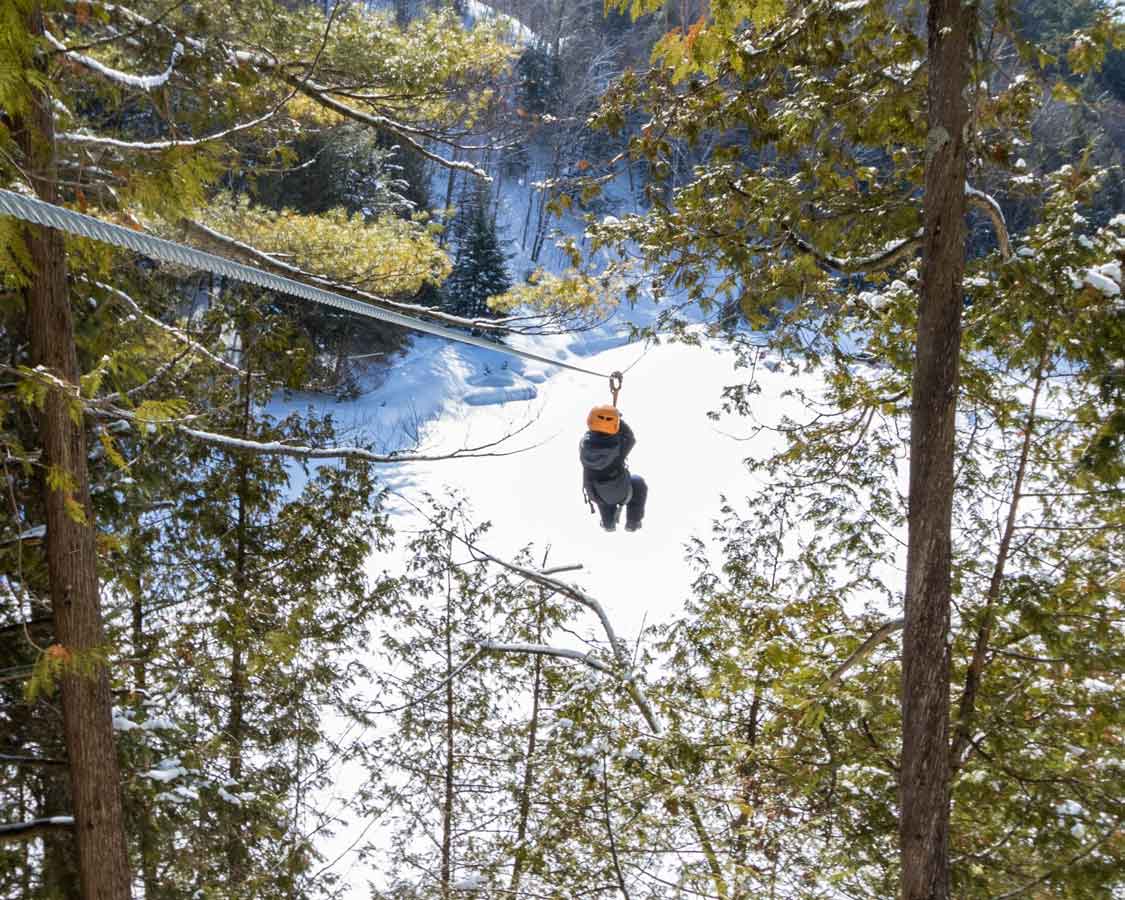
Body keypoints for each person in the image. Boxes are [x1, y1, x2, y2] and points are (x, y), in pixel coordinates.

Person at [580, 405, 648, 532]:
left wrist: (612, 421)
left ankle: (608, 523)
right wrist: (618, 421)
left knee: (603, 495)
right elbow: (630, 438)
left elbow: (595, 434)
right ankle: (633, 522)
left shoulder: (584, 445)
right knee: (638, 483)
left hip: (594, 492)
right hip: (619, 492)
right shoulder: (618, 447)